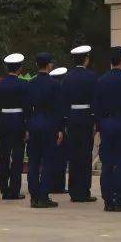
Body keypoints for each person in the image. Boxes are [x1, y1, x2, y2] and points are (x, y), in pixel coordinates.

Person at [93, 46, 121, 212]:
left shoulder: (101, 81)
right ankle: (119, 199)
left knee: (107, 164)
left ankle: (108, 200)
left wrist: (99, 126)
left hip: (106, 125)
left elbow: (96, 107)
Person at [26, 52, 63, 208]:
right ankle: (44, 195)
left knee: (33, 161)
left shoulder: (30, 84)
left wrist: (27, 127)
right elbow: (58, 108)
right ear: (49, 65)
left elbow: (27, 108)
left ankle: (34, 195)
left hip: (34, 124)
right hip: (49, 124)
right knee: (48, 161)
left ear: (36, 65)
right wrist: (60, 129)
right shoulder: (55, 84)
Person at [62, 45, 97, 203]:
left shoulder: (67, 77)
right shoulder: (91, 76)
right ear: (86, 59)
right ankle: (84, 190)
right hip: (86, 118)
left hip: (72, 118)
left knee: (73, 155)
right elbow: (96, 100)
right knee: (85, 155)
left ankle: (74, 190)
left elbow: (63, 101)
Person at [0, 53, 29, 200]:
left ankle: (3, 187)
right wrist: (27, 125)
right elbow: (27, 106)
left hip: (3, 121)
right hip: (18, 122)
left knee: (4, 155)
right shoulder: (23, 85)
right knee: (18, 156)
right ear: (20, 68)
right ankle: (14, 189)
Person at [47, 66, 68, 195]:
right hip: (58, 128)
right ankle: (58, 185)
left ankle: (51, 183)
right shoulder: (60, 92)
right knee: (60, 159)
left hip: (48, 126)